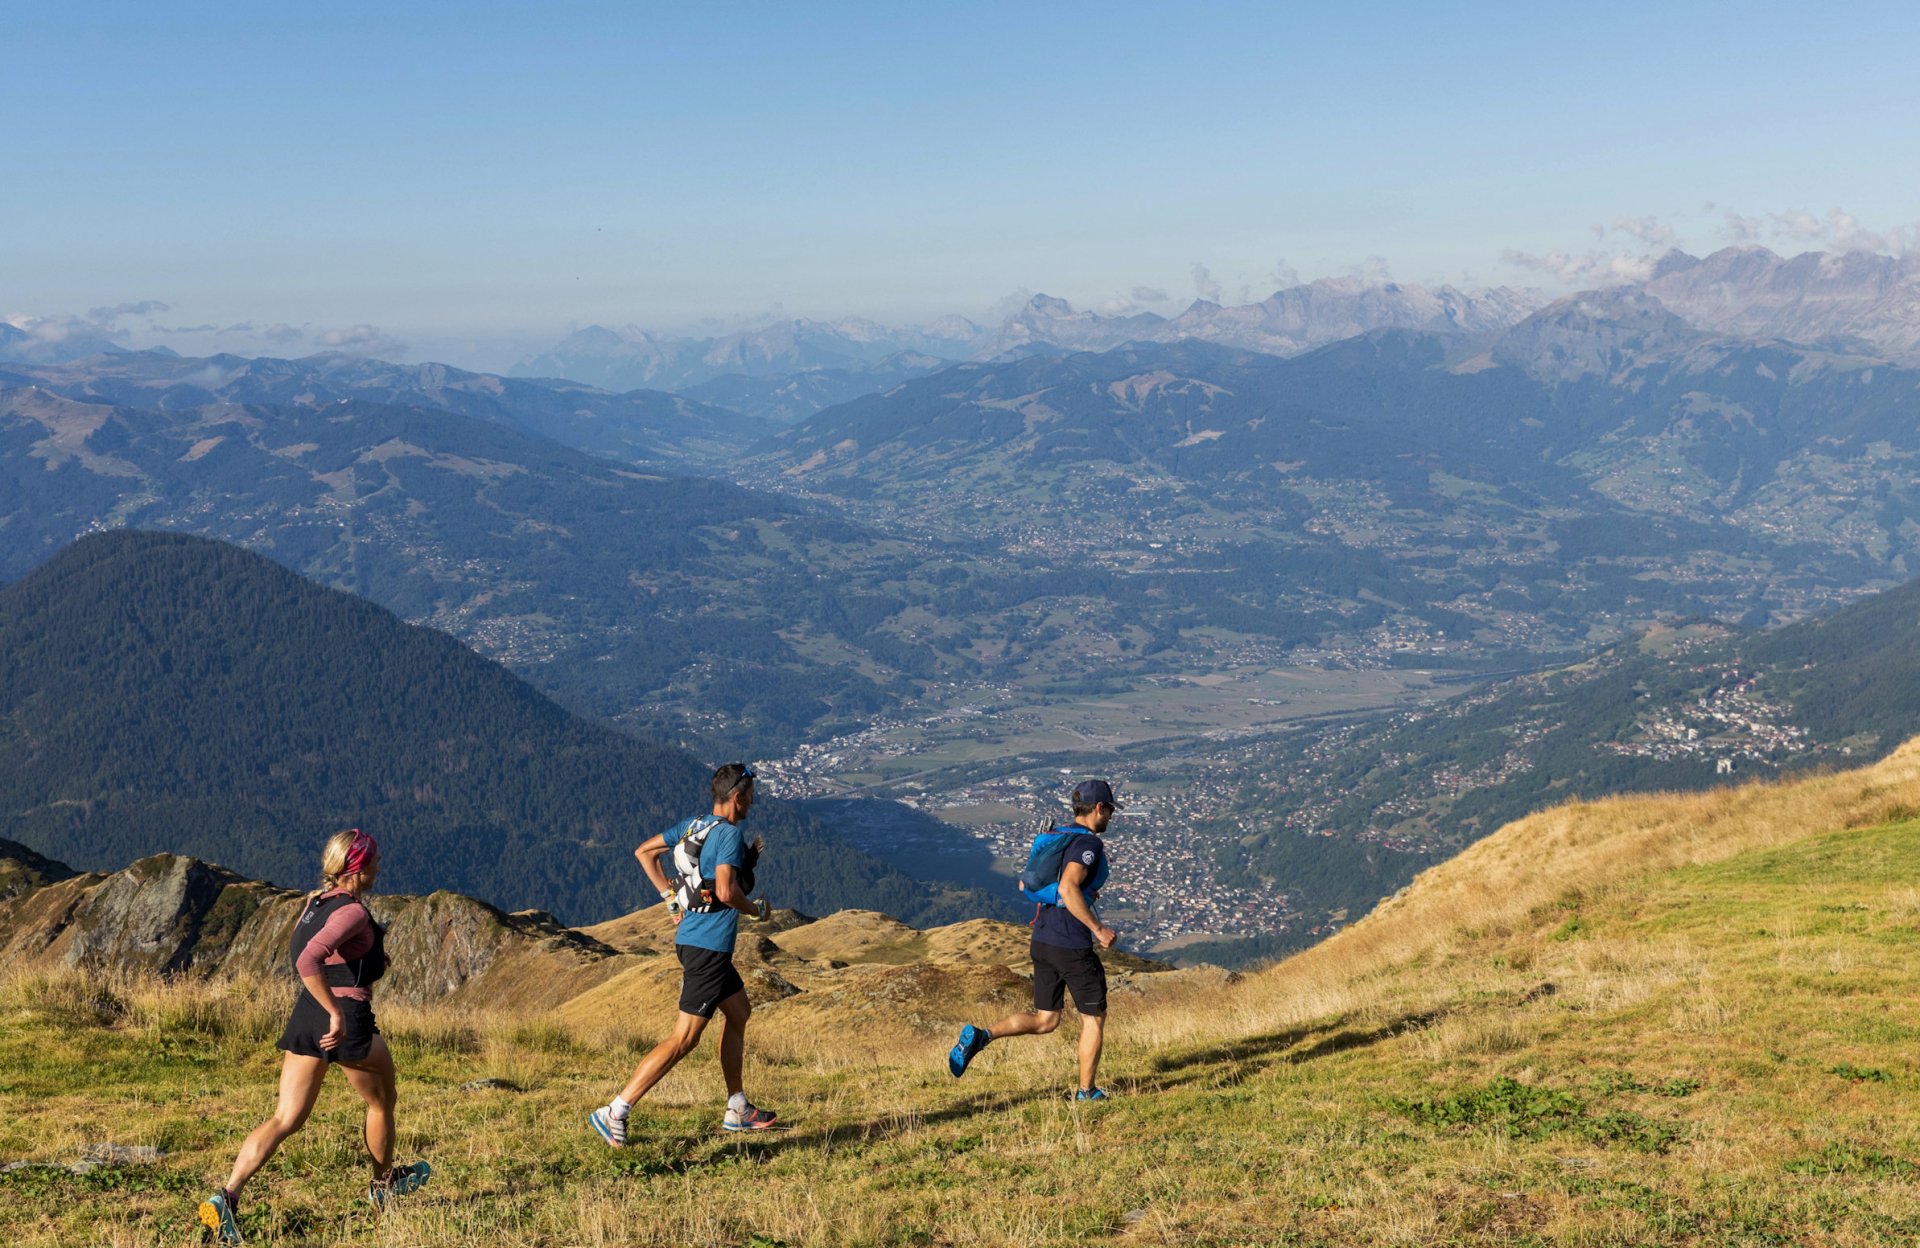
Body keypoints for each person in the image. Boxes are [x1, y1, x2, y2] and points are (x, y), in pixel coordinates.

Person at [198, 830, 429, 1244]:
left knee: (285, 1118)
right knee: (382, 1103)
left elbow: (304, 947)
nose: (380, 866)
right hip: (346, 1020)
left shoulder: (316, 902)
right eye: (374, 860)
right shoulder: (354, 914)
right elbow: (308, 958)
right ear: (356, 867)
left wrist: (363, 959)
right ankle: (384, 1188)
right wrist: (336, 1011)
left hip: (306, 1015)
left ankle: (226, 1199)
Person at [588, 763, 779, 1145]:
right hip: (707, 948)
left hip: (697, 941)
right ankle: (616, 1110)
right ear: (738, 797)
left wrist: (671, 901)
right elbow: (725, 891)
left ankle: (737, 1107)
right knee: (684, 1039)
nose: (753, 804)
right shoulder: (726, 835)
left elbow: (644, 852)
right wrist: (756, 910)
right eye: (751, 797)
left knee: (739, 1011)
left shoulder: (695, 825)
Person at [947, 779, 1120, 1100]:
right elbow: (1068, 888)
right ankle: (1087, 1092)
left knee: (1046, 1019)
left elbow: (1027, 886)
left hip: (1042, 940)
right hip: (1071, 943)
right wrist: (1099, 929)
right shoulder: (1088, 845)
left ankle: (981, 1036)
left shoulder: (1059, 837)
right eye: (1109, 809)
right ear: (1098, 808)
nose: (1110, 816)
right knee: (1094, 1018)